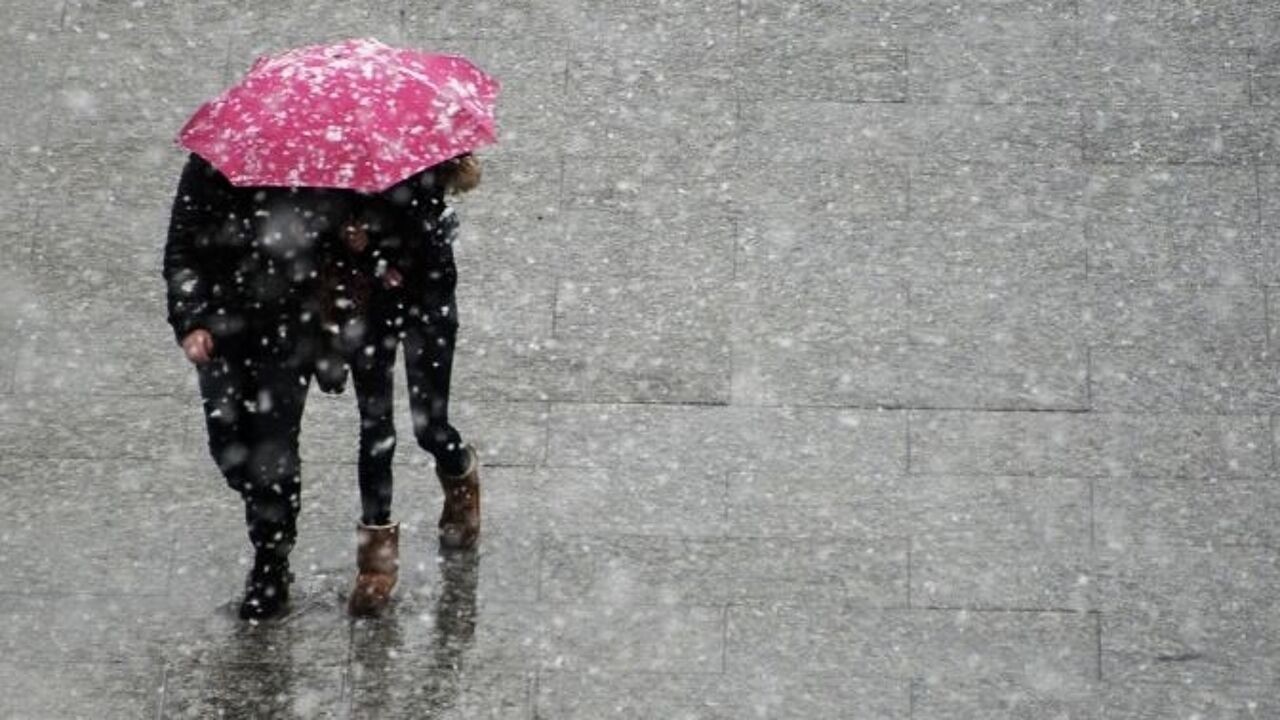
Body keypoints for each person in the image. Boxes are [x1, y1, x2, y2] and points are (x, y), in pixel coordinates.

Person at [164, 153, 350, 620]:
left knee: (275, 444)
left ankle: (271, 560)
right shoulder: (210, 164)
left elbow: (338, 255)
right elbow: (181, 248)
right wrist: (191, 320)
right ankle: (268, 519)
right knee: (229, 447)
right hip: (225, 332)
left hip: (291, 331)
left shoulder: (318, 168)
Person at [327, 154, 484, 617]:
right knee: (375, 429)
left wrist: (373, 248)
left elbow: (433, 242)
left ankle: (461, 478)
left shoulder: (423, 161)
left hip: (425, 303)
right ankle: (376, 562)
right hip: (368, 309)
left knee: (429, 426)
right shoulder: (335, 166)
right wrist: (345, 240)